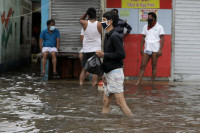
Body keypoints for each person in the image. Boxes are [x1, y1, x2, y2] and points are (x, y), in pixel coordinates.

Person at [96, 11, 133, 117]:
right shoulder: (107, 36)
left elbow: (121, 54)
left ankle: (132, 122)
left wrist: (104, 54)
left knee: (120, 103)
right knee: (106, 101)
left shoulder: (115, 36)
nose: (101, 23)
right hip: (108, 73)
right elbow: (107, 56)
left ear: (110, 21)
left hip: (115, 73)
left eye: (103, 20)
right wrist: (103, 73)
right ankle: (103, 124)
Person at [135, 12, 164, 86]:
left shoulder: (159, 27)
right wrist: (141, 48)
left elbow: (162, 38)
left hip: (155, 49)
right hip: (147, 48)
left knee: (154, 66)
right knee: (142, 65)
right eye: (148, 17)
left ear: (154, 18)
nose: (148, 18)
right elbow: (142, 37)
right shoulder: (145, 26)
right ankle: (139, 81)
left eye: (150, 17)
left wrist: (160, 49)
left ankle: (152, 82)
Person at [79, 7, 102, 86]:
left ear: (88, 15)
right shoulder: (99, 24)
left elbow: (80, 19)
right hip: (96, 50)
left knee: (84, 69)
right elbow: (108, 26)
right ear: (95, 15)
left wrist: (86, 13)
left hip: (86, 50)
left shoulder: (85, 23)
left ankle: (81, 85)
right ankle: (93, 86)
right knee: (95, 70)